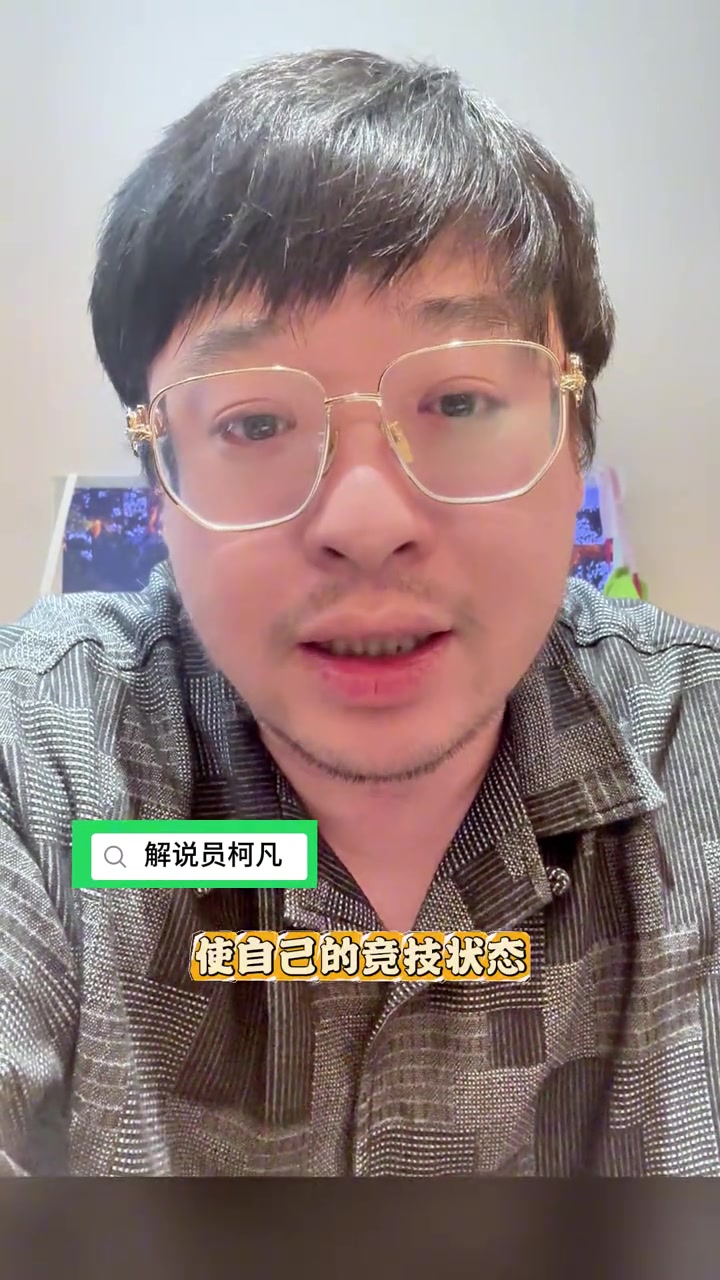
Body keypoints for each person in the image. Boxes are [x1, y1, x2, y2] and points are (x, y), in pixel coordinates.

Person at [1, 48, 719, 1179]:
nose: (367, 521)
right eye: (253, 423)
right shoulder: (41, 753)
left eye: (461, 400)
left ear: (575, 437)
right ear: (159, 483)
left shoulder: (698, 746)